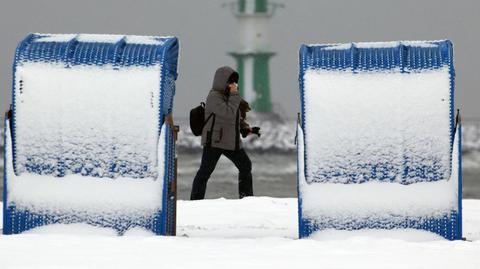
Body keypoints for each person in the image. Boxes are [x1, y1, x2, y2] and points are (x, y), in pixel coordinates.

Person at [190, 66, 259, 200]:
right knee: (205, 172)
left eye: (234, 82)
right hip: (215, 141)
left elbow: (235, 117)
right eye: (230, 82)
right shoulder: (214, 96)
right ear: (222, 81)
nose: (233, 85)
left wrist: (246, 128)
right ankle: (195, 201)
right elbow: (228, 113)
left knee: (245, 166)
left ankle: (247, 198)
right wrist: (234, 95)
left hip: (231, 142)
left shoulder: (230, 97)